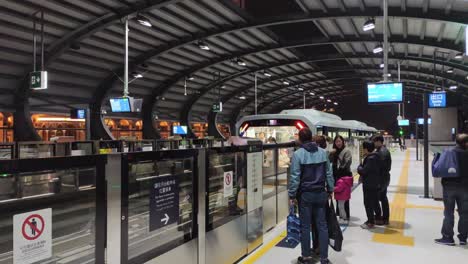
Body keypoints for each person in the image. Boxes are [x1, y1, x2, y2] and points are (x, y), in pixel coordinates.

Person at [288, 128, 334, 264]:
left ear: (301, 139)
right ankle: (324, 258)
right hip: (321, 193)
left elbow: (295, 177)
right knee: (322, 226)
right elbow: (329, 173)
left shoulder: (298, 154)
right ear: (312, 138)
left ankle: (306, 257)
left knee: (305, 226)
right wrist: (331, 189)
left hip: (306, 195)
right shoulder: (323, 153)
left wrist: (292, 194)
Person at [435, 134, 468, 246]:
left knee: (449, 213)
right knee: (464, 213)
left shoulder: (448, 152)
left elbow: (439, 168)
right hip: (465, 188)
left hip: (449, 187)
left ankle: (448, 237)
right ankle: (463, 238)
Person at [358, 140, 382, 229]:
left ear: (366, 149)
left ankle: (370, 221)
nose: (363, 150)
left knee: (368, 203)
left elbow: (364, 171)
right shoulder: (377, 156)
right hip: (375, 183)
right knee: (375, 201)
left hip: (369, 184)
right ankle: (378, 218)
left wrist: (359, 167)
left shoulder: (371, 158)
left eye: (363, 148)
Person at [330, 135, 353, 220]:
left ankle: (346, 215)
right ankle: (339, 214)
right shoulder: (334, 151)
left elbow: (347, 163)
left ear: (343, 142)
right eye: (336, 141)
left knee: (345, 197)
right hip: (336, 176)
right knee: (338, 196)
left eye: (340, 141)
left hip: (344, 177)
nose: (338, 143)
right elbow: (329, 161)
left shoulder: (346, 151)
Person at [373, 135, 392, 225]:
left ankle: (381, 218)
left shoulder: (382, 152)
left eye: (374, 142)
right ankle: (385, 218)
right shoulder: (382, 150)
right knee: (383, 198)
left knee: (378, 199)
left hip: (381, 179)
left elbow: (381, 167)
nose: (374, 143)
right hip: (384, 179)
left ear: (379, 142)